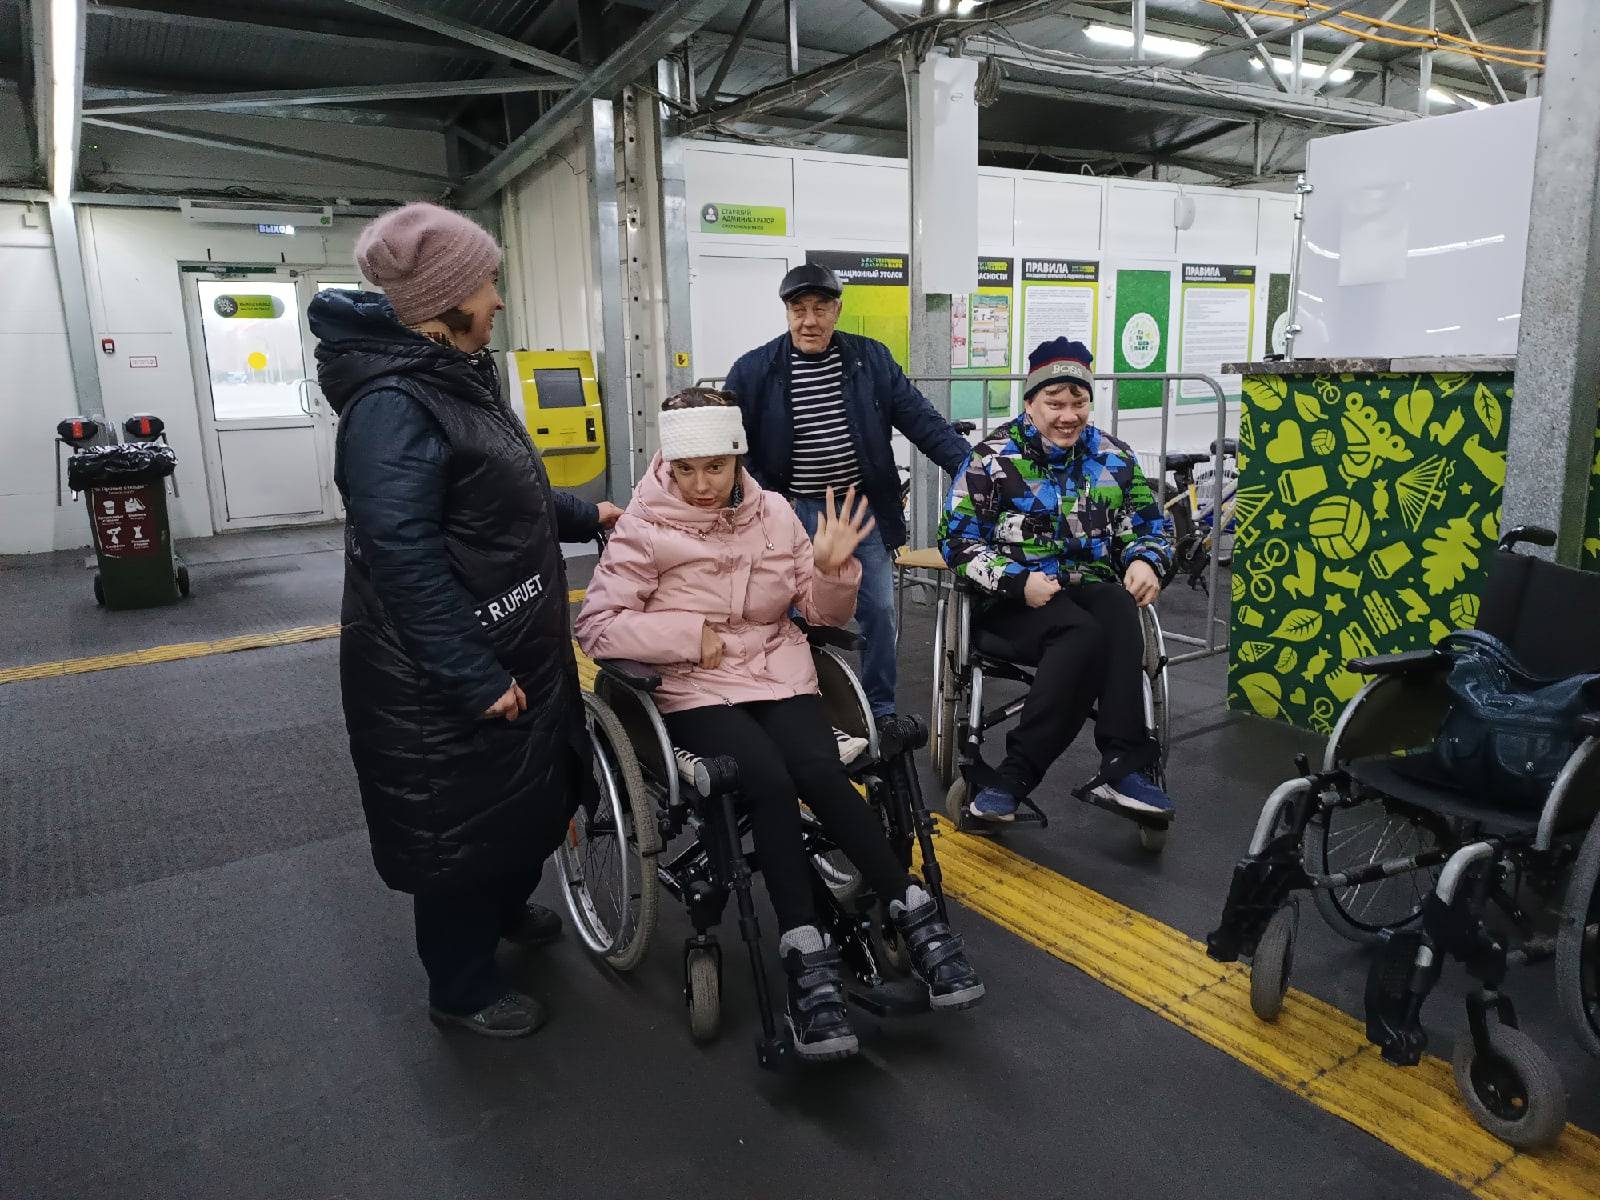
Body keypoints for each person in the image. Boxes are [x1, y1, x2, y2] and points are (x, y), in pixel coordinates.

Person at [575, 388, 984, 1061]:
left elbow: (820, 616)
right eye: (687, 469)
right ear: (667, 463)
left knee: (818, 769)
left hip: (779, 672)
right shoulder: (643, 526)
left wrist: (831, 569)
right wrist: (686, 636)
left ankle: (913, 910)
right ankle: (804, 950)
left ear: (738, 457)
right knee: (764, 777)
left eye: (715, 466)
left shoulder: (773, 513)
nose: (701, 484)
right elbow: (596, 625)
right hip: (693, 686)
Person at [311, 202, 621, 1040]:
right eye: (486, 284)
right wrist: (471, 674)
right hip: (440, 673)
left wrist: (585, 514)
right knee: (458, 825)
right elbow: (401, 558)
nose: (498, 299)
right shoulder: (393, 406)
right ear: (442, 303)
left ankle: (504, 909)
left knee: (520, 800)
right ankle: (460, 984)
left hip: (511, 639)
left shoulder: (454, 376)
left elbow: (503, 491)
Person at [939, 337, 1176, 824]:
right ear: (1030, 403)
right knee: (1082, 634)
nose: (1068, 415)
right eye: (1055, 403)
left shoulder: (1113, 457)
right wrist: (1015, 581)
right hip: (1011, 603)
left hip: (1085, 588)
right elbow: (957, 542)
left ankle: (1123, 766)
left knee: (1118, 606)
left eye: (1078, 402)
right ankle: (1015, 776)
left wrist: (1146, 560)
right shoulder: (991, 459)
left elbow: (1151, 528)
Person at [722, 263, 970, 721]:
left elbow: (921, 420)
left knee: (879, 612)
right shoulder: (754, 370)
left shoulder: (870, 359)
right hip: (791, 513)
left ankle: (880, 710)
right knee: (789, 615)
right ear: (786, 312)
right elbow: (730, 445)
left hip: (861, 511)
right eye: (799, 309)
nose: (809, 321)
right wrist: (760, 503)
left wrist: (976, 470)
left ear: (837, 311)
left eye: (820, 308)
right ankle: (799, 703)